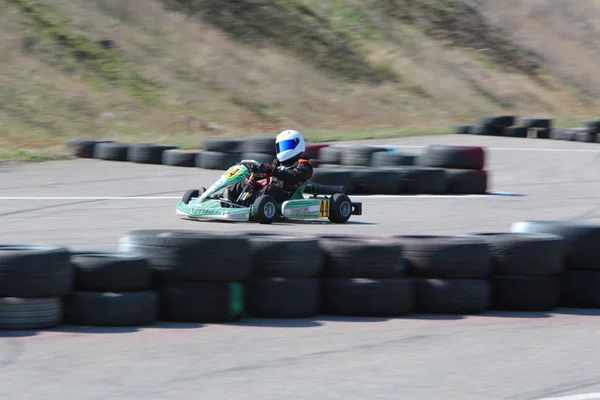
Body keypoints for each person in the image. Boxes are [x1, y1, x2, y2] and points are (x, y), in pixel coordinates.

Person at [220, 129, 314, 205]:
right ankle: (221, 197)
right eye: (281, 146)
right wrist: (255, 172)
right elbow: (267, 173)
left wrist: (271, 170)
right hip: (270, 192)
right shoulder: (278, 162)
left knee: (269, 189)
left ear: (297, 144)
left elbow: (294, 177)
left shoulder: (304, 164)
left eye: (286, 145)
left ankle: (243, 205)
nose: (283, 149)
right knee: (245, 183)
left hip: (287, 195)